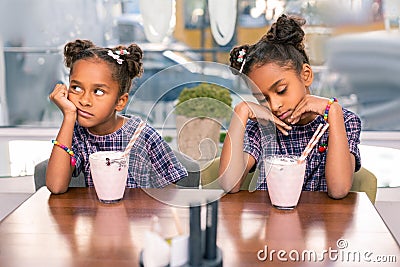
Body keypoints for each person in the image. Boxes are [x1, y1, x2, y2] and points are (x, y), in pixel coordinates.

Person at [219, 14, 361, 199]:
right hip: (269, 222)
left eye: (281, 90)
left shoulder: (344, 121)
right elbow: (230, 184)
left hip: (320, 224)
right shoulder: (264, 126)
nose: (275, 106)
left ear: (306, 75)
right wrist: (241, 111)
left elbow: (339, 190)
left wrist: (333, 111)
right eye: (263, 100)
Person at [46, 39, 187, 194]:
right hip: (99, 215)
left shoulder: (143, 135)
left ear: (120, 102)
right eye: (76, 88)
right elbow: (56, 186)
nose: (84, 101)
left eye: (98, 91)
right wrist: (68, 116)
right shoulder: (78, 135)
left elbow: (171, 187)